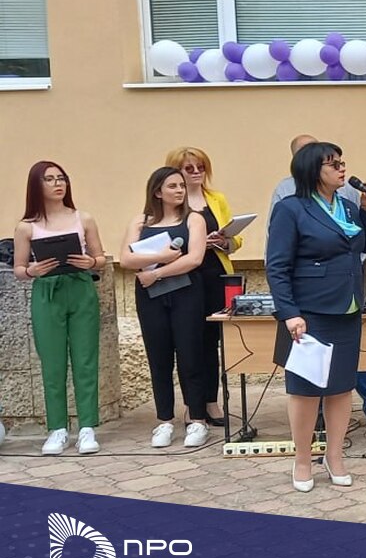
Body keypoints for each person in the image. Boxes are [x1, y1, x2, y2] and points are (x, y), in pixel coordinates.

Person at [267, 142, 366, 492]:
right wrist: (289, 313)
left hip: (347, 307)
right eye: (333, 164)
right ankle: (303, 460)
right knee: (306, 390)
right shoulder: (291, 209)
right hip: (310, 311)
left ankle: (335, 456)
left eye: (342, 162)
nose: (342, 168)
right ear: (312, 171)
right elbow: (277, 266)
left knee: (341, 388)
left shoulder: (347, 207)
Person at [12, 161, 106, 455]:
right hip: (47, 291)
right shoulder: (26, 226)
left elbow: (101, 258)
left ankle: (87, 427)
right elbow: (18, 268)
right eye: (50, 179)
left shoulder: (83, 218)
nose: (58, 184)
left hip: (80, 287)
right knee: (52, 363)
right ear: (36, 186)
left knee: (85, 358)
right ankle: (57, 429)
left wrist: (91, 262)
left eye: (61, 178)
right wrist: (32, 270)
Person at [120, 167, 209, 448]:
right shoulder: (140, 222)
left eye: (181, 185)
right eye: (172, 186)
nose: (180, 190)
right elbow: (126, 259)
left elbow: (194, 258)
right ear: (157, 192)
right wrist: (160, 256)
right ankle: (164, 420)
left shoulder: (194, 219)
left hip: (186, 293)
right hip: (150, 297)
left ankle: (197, 419)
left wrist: (157, 272)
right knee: (158, 357)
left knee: (190, 355)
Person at [163, 147, 239, 431]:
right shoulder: (172, 201)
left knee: (213, 341)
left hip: (215, 274)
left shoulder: (216, 199)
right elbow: (165, 238)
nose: (196, 173)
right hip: (185, 276)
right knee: (189, 343)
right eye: (189, 168)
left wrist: (225, 242)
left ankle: (211, 402)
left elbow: (236, 239)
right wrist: (195, 244)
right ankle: (192, 405)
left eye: (201, 167)